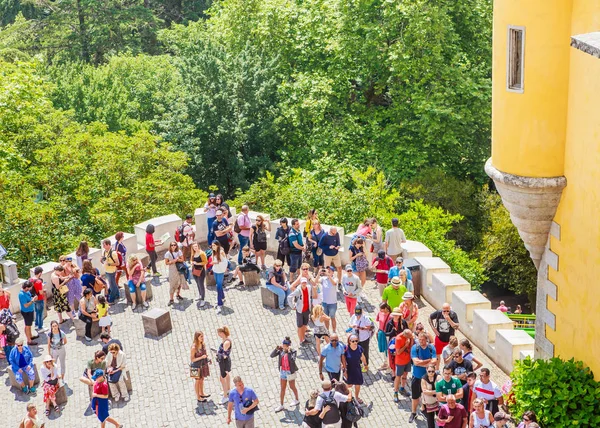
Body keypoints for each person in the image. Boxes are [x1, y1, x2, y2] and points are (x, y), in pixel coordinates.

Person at [409, 332, 437, 423]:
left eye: (423, 340)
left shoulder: (431, 348)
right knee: (415, 396)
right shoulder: (415, 348)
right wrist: (427, 362)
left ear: (426, 340)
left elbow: (434, 361)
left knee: (426, 394)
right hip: (417, 377)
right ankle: (413, 412)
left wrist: (422, 363)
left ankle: (424, 408)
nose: (421, 341)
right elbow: (416, 362)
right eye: (419, 339)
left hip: (428, 378)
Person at [270, 337, 300, 412]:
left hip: (290, 372)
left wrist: (289, 352)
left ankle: (297, 399)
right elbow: (272, 355)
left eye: (285, 346)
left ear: (289, 346)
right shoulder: (281, 351)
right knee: (282, 388)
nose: (284, 347)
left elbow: (292, 360)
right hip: (283, 371)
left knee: (292, 386)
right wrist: (276, 349)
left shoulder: (293, 352)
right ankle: (281, 405)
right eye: (283, 346)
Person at [429, 303, 460, 369]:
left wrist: (449, 319)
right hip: (439, 338)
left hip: (449, 341)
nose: (446, 312)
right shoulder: (439, 313)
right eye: (444, 311)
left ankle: (449, 369)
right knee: (437, 355)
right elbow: (430, 318)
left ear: (450, 310)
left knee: (449, 356)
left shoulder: (453, 314)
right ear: (442, 310)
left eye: (447, 311)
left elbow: (456, 327)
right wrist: (433, 328)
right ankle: (437, 369)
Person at [342, 334, 367, 404]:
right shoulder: (346, 348)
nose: (355, 342)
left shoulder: (359, 348)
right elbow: (342, 358)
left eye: (356, 341)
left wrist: (365, 364)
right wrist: (344, 368)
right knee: (349, 385)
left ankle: (356, 397)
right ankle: (344, 395)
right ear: (349, 341)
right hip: (349, 369)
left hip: (357, 368)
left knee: (358, 384)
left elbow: (362, 356)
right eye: (353, 341)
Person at [289, 276, 312, 345]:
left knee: (304, 325)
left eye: (305, 282)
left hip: (307, 309)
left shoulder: (309, 288)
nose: (304, 284)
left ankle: (303, 337)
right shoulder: (298, 290)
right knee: (300, 326)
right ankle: (301, 340)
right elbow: (290, 297)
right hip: (300, 310)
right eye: (302, 283)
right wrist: (292, 306)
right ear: (300, 283)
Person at [393, 329, 414, 402]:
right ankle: (395, 393)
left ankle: (402, 388)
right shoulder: (398, 339)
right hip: (400, 361)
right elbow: (398, 352)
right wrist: (406, 345)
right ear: (405, 335)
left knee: (405, 374)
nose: (411, 337)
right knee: (398, 377)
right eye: (410, 336)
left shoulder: (409, 337)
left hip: (407, 359)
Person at [190, 331, 211, 403]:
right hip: (195, 367)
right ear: (197, 337)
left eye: (203, 336)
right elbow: (192, 359)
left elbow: (205, 354)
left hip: (202, 365)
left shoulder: (203, 344)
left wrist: (207, 359)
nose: (202, 338)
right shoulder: (194, 347)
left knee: (202, 379)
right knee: (197, 381)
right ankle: (198, 397)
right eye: (201, 336)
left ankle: (202, 393)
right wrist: (201, 357)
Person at [165, 241, 186, 306]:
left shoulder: (179, 251)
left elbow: (182, 259)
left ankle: (177, 294)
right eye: (172, 245)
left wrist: (177, 259)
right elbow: (166, 263)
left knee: (179, 283)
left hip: (179, 270)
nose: (173, 246)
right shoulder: (167, 253)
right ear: (170, 246)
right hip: (172, 270)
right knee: (172, 284)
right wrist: (173, 261)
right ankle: (171, 299)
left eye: (174, 245)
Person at [421, 363, 441, 428]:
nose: (431, 373)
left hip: (438, 402)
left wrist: (430, 392)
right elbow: (424, 391)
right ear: (426, 370)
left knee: (440, 418)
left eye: (432, 371)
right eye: (429, 371)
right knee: (430, 420)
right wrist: (435, 392)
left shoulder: (438, 377)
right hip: (429, 403)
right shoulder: (424, 379)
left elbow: (441, 389)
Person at [18, 280, 38, 345]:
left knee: (29, 325)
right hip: (26, 312)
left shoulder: (26, 292)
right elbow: (26, 305)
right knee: (27, 326)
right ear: (26, 287)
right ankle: (29, 340)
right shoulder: (21, 294)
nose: (30, 289)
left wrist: (33, 298)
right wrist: (33, 300)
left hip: (30, 310)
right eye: (30, 288)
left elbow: (30, 297)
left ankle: (30, 336)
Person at [212, 241, 229, 314]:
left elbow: (225, 262)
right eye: (212, 246)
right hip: (215, 270)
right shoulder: (213, 252)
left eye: (214, 245)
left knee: (218, 287)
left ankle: (220, 303)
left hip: (220, 271)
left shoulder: (221, 252)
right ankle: (222, 297)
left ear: (217, 246)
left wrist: (216, 262)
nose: (213, 247)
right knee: (218, 285)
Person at [101, 239, 121, 304]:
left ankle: (111, 299)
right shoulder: (104, 252)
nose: (103, 246)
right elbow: (103, 259)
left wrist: (109, 264)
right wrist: (102, 260)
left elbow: (117, 263)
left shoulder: (113, 253)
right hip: (107, 270)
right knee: (113, 284)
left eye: (104, 245)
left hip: (111, 271)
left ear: (108, 245)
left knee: (112, 286)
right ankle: (117, 295)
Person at [217, 326, 233, 405]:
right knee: (226, 376)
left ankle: (225, 396)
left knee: (222, 378)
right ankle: (228, 389)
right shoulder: (225, 340)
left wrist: (218, 354)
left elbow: (225, 355)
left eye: (219, 333)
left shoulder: (226, 342)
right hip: (224, 362)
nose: (218, 335)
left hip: (224, 362)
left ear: (222, 333)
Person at [320, 266, 339, 332]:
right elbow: (315, 282)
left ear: (333, 272)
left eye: (329, 270)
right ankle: (327, 331)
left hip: (332, 303)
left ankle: (334, 331)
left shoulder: (335, 278)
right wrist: (318, 273)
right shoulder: (323, 279)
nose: (328, 271)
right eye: (327, 270)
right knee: (326, 318)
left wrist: (329, 276)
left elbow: (334, 283)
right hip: (324, 302)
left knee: (332, 317)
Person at [190, 242, 208, 306]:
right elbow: (191, 260)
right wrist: (192, 262)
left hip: (201, 271)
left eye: (196, 246)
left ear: (198, 246)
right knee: (197, 283)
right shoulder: (193, 253)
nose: (195, 248)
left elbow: (205, 262)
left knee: (201, 284)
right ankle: (200, 295)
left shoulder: (202, 253)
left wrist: (197, 263)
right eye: (194, 247)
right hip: (194, 270)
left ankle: (203, 299)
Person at [375, 302, 392, 370]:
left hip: (387, 334)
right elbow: (379, 322)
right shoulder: (380, 313)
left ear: (385, 308)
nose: (380, 310)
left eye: (381, 309)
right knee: (383, 349)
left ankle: (389, 365)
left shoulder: (390, 316)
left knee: (387, 350)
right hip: (381, 333)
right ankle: (385, 363)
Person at [30, 267, 45, 331]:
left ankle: (36, 324)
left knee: (36, 312)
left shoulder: (30, 279)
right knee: (40, 313)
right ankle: (40, 327)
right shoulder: (38, 281)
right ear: (40, 273)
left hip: (33, 298)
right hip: (39, 298)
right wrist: (43, 287)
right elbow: (41, 292)